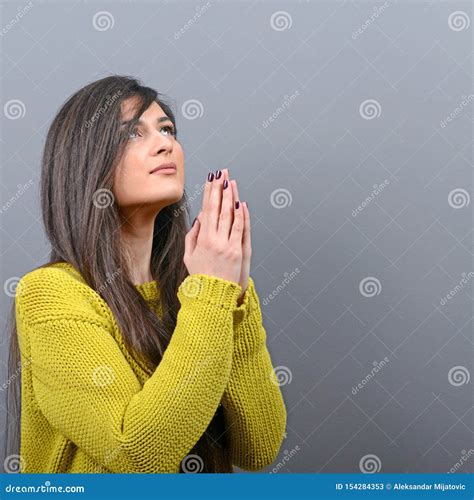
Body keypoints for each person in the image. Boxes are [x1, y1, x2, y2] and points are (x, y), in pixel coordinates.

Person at [4, 75, 287, 474]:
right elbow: (136, 455)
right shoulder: (51, 295)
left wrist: (232, 298)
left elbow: (258, 448)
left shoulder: (195, 291)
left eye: (167, 129)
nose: (165, 143)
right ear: (87, 164)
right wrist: (211, 295)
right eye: (134, 134)